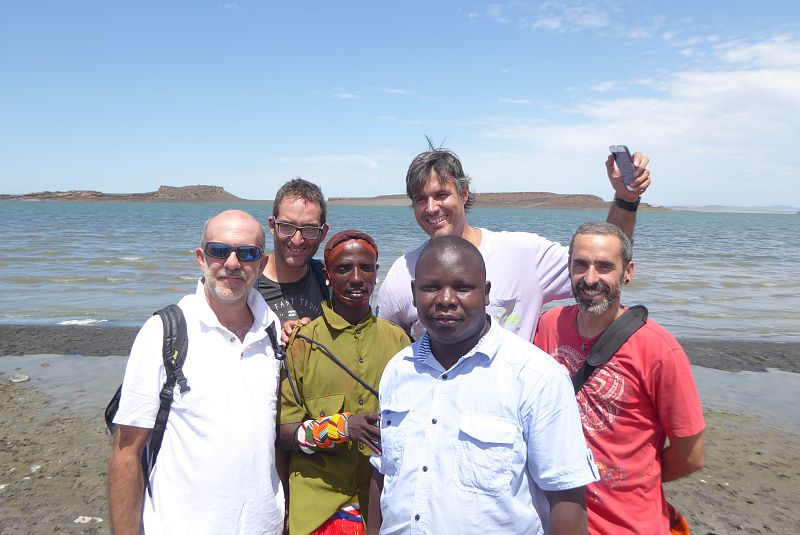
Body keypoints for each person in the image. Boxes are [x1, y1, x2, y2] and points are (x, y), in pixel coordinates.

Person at [368, 236, 598, 535]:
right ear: (413, 294)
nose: (446, 299)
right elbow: (384, 474)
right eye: (430, 287)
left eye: (463, 287)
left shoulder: (536, 377)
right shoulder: (398, 370)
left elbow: (566, 500)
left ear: (486, 293)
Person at [108, 210, 284, 535]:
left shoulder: (272, 330)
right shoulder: (164, 331)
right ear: (201, 257)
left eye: (247, 253)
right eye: (219, 250)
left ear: (261, 264)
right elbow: (127, 450)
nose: (232, 263)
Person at [533, 222, 705, 534]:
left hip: (628, 524)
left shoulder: (659, 350)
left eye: (604, 267)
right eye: (580, 265)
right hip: (556, 520)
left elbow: (691, 454)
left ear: (628, 272)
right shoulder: (548, 325)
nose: (590, 278)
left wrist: (633, 477)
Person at [376, 146, 652, 341]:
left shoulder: (523, 253)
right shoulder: (403, 273)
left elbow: (602, 259)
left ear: (463, 193)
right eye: (421, 199)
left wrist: (625, 200)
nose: (432, 208)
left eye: (441, 195)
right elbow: (386, 344)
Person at [278, 230, 411, 534]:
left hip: (383, 503)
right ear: (327, 275)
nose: (356, 278)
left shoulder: (400, 341)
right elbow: (284, 434)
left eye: (366, 268)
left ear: (377, 274)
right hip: (318, 506)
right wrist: (342, 428)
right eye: (343, 269)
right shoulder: (303, 342)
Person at [258, 177, 330, 325]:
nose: (297, 240)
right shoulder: (245, 284)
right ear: (272, 226)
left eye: (310, 229)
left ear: (323, 233)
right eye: (287, 226)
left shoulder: (328, 282)